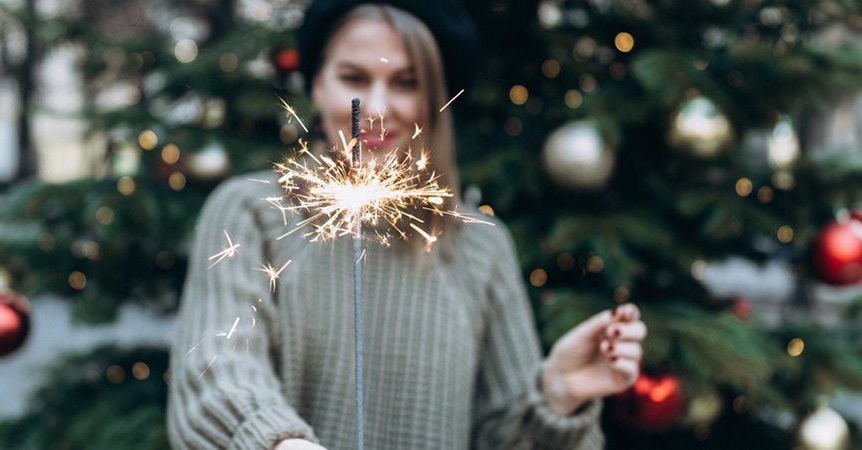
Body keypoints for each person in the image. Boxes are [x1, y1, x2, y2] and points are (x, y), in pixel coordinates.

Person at [166, 1, 647, 449]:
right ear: (316, 85)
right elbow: (218, 374)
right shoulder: (253, 213)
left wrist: (558, 395)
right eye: (354, 77)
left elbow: (506, 437)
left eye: (406, 82)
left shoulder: (480, 245)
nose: (375, 109)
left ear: (437, 99)